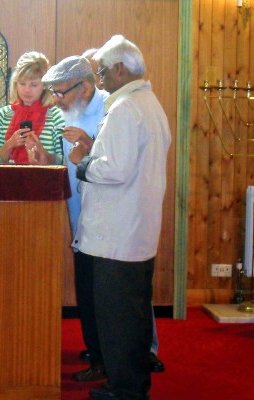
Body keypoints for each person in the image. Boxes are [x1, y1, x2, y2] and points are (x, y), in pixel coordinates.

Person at [43, 54, 165, 383]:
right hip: (84, 212)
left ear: (84, 88)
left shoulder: (115, 107)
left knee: (121, 297)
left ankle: (136, 356)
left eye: (61, 92)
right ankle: (102, 353)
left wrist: (86, 150)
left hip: (114, 220)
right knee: (95, 293)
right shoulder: (66, 111)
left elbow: (114, 164)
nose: (56, 100)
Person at [69, 35, 171, 400]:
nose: (99, 79)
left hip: (117, 236)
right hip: (134, 231)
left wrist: (83, 163)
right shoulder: (147, 103)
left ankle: (125, 391)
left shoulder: (127, 108)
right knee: (134, 318)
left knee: (118, 322)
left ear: (120, 69)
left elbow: (115, 170)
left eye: (102, 72)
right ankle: (133, 385)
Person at [0, 51, 64, 165]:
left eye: (34, 85)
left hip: (44, 180)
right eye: (22, 83)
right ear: (15, 83)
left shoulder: (56, 115)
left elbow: (64, 161)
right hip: (9, 180)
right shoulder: (3, 114)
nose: (27, 90)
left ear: (44, 85)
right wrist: (10, 144)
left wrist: (42, 152)